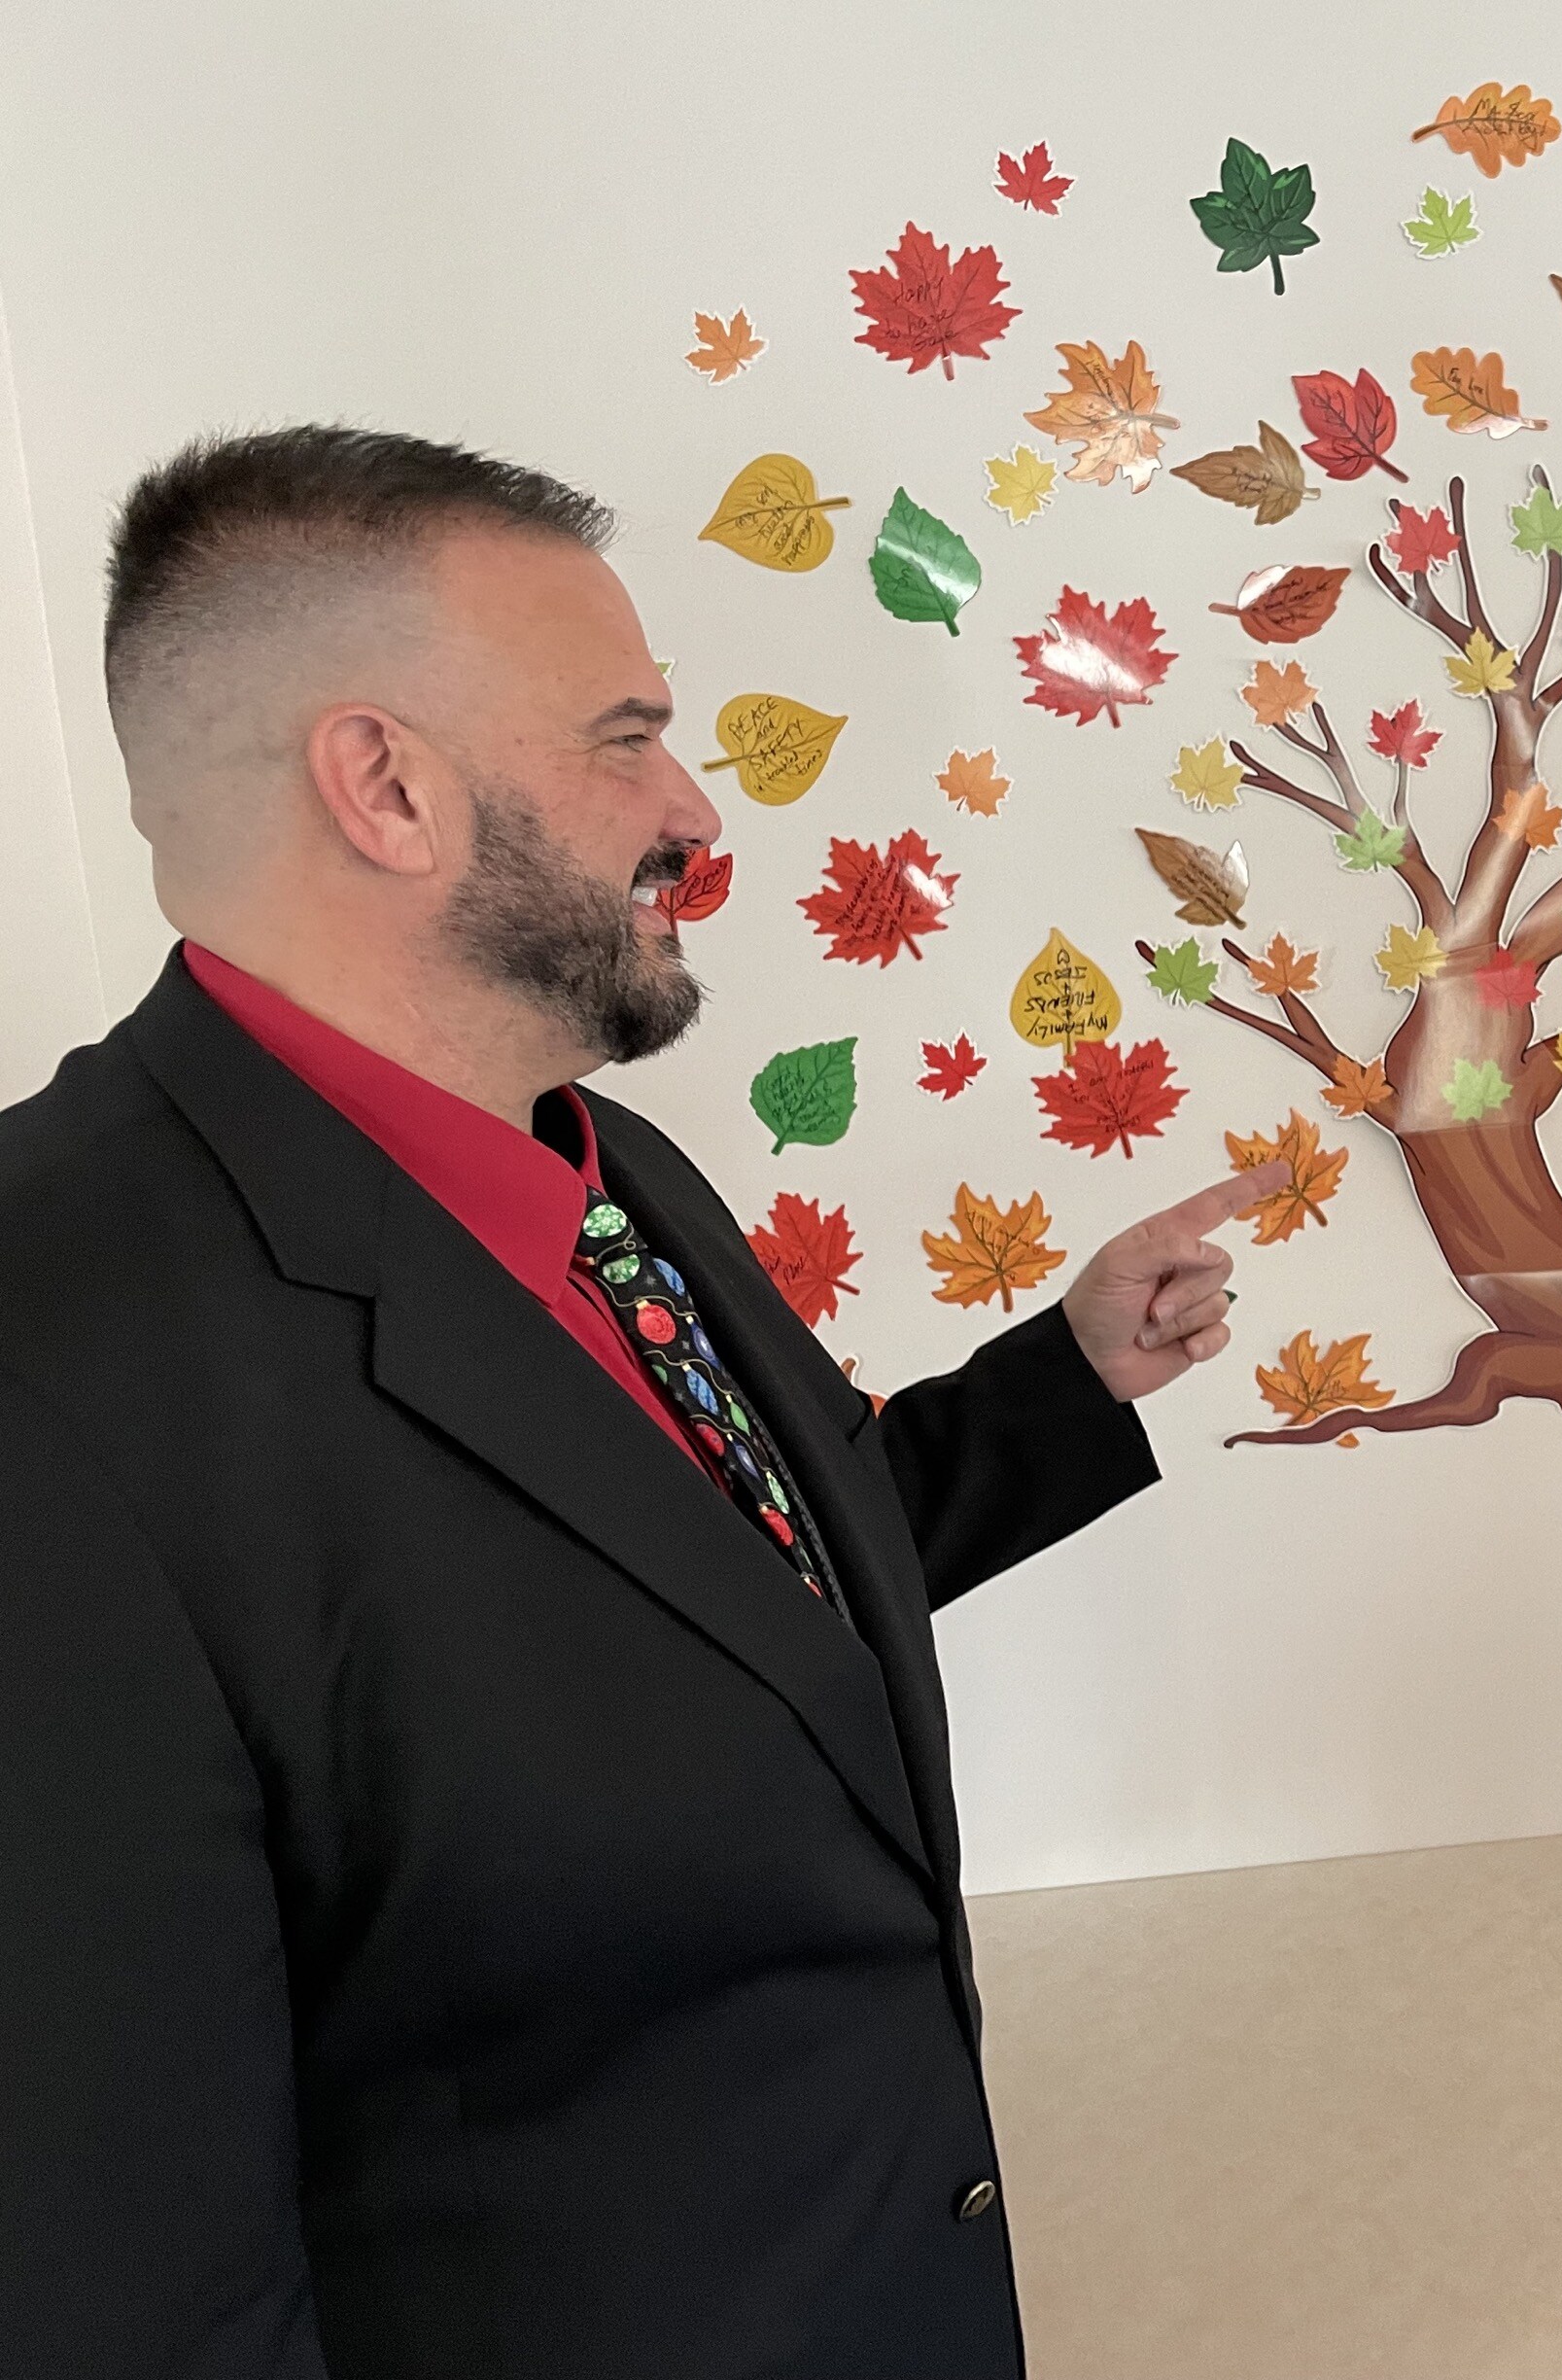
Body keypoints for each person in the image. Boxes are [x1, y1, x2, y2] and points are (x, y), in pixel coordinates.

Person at [0, 426, 1287, 2379]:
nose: (689, 804)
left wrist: (1064, 1378)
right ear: (387, 787)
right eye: (626, 735)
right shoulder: (47, 1358)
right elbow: (119, 2285)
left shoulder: (607, 1171)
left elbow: (719, 1611)